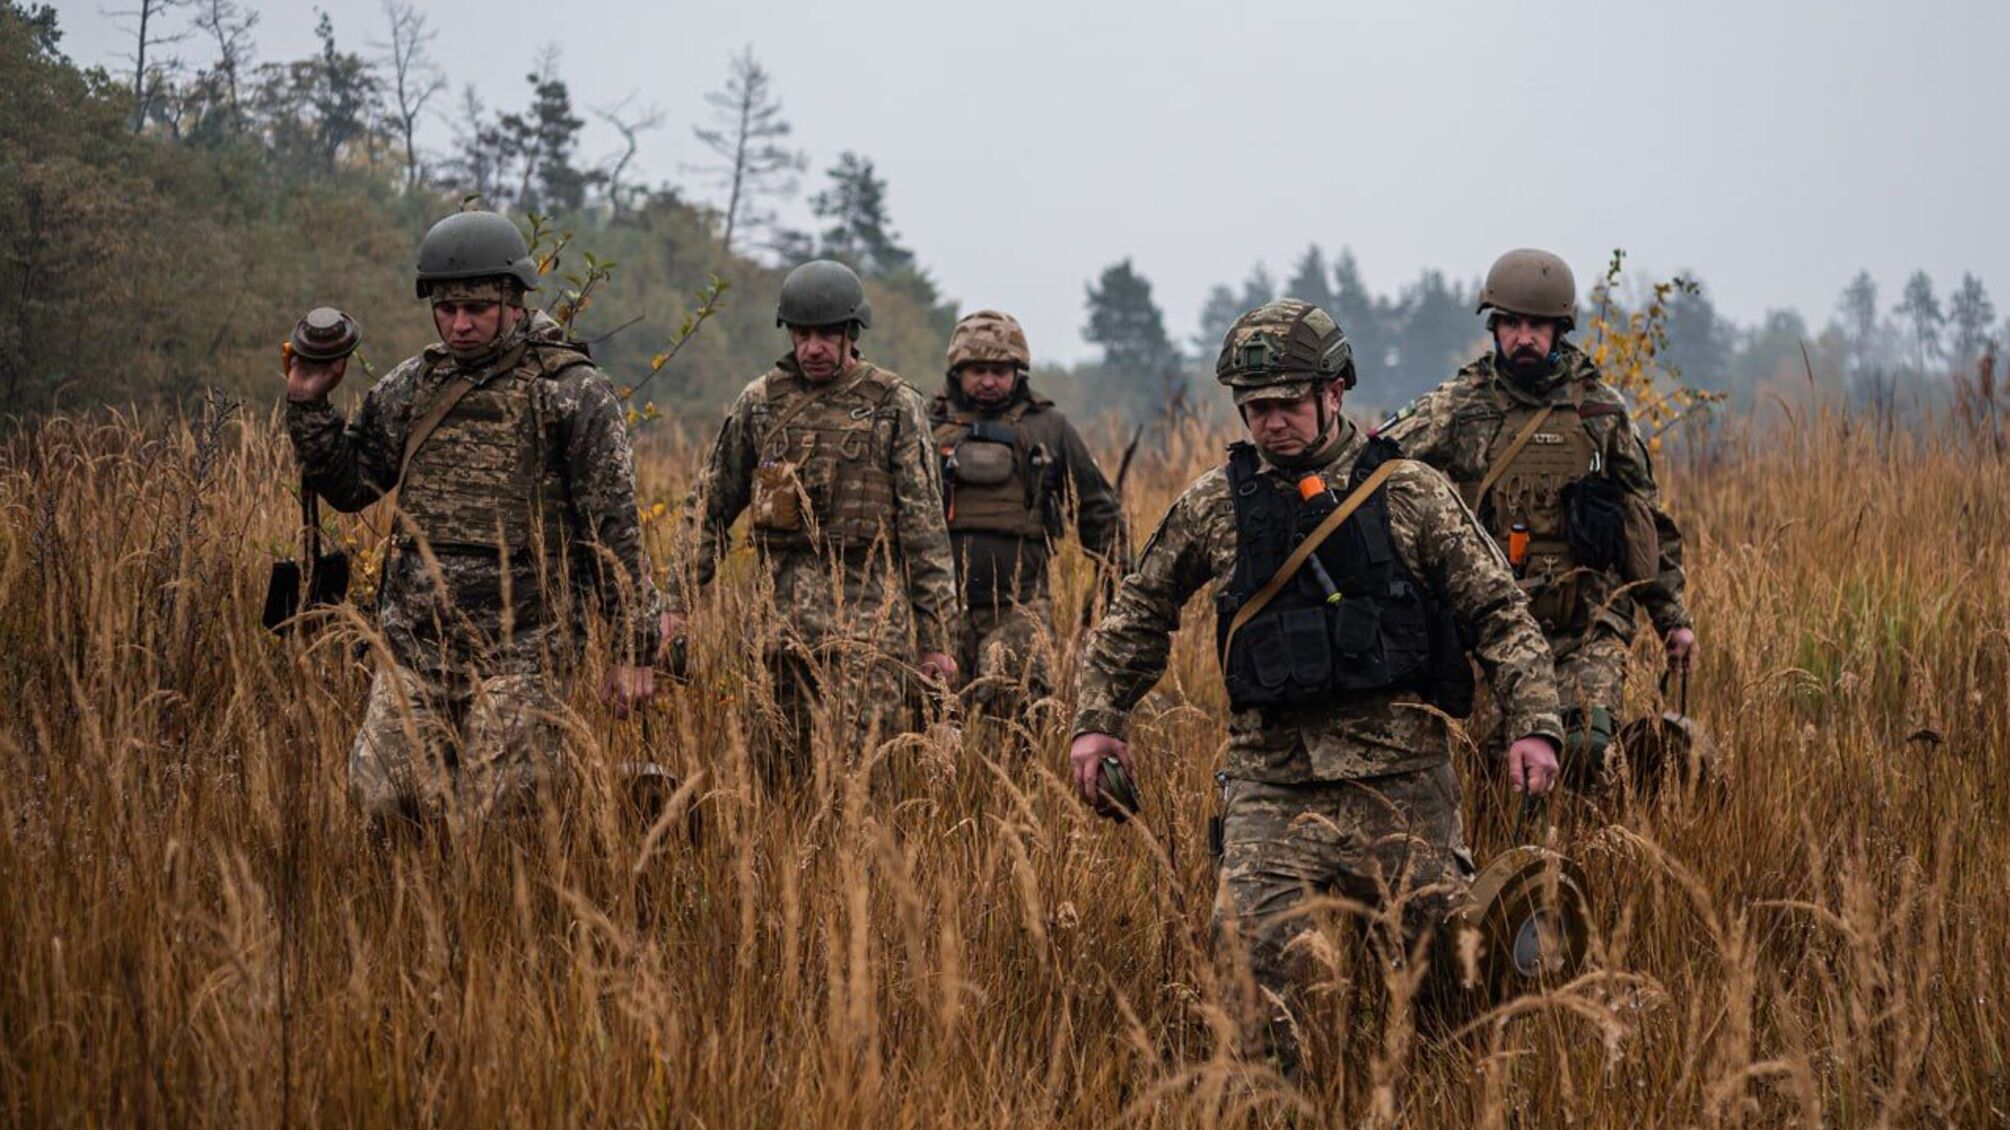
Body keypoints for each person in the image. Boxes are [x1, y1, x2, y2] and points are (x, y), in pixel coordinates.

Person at [1067, 299, 1563, 1078]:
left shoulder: (1411, 495)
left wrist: (1536, 722)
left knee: (1452, 982)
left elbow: (1501, 613)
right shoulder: (1216, 505)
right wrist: (1098, 721)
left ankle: (1443, 1098)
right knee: (1246, 968)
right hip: (1273, 781)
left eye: (1287, 404)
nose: (1270, 423)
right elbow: (1139, 611)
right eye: (1255, 408)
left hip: (1399, 782)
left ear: (1335, 392)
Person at [284, 208, 659, 828]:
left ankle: (586, 815)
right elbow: (352, 487)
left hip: (525, 648)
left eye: (477, 309)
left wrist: (633, 650)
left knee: (496, 819)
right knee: (386, 801)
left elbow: (612, 531)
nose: (459, 325)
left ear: (514, 299)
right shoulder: (415, 385)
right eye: (447, 309)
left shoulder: (571, 391)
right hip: (416, 643)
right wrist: (309, 404)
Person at [1379, 248, 1697, 787]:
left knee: (1586, 751)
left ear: (1560, 329)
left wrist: (1675, 620)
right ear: (1495, 327)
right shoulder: (1459, 407)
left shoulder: (1600, 411)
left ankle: (1589, 852)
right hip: (1491, 628)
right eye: (1512, 324)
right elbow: (1376, 463)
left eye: (1537, 326)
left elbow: (1649, 525)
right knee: (1491, 769)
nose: (1523, 337)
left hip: (1588, 624)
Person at [662, 260, 958, 782]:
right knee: (773, 785)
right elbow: (707, 507)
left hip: (868, 638)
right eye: (803, 334)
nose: (813, 348)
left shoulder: (894, 406)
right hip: (777, 634)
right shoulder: (760, 404)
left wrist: (936, 642)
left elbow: (925, 531)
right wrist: (676, 605)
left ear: (851, 334)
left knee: (863, 787)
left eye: (826, 335)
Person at [928, 309, 1126, 720]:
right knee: (933, 724)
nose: (988, 381)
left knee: (1020, 719)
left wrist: (1114, 588)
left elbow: (1098, 511)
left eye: (1000, 370)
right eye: (977, 369)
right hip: (939, 610)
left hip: (1021, 607)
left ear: (1018, 371)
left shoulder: (1048, 427)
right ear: (957, 370)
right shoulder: (928, 425)